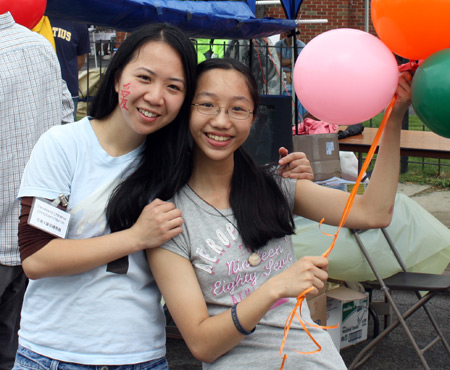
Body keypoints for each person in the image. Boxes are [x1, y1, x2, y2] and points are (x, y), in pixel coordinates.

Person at [14, 23, 311, 370]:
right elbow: (37, 257)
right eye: (144, 78)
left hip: (141, 357)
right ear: (116, 77)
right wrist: (135, 237)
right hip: (51, 355)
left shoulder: (176, 162)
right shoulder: (62, 145)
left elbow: (229, 171)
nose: (156, 97)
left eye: (173, 87)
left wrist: (288, 174)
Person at [146, 58, 412, 369]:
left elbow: (374, 212)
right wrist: (274, 288)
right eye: (207, 105)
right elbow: (203, 345)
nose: (221, 121)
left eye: (237, 109)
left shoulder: (277, 185)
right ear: (186, 111)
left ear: (253, 118)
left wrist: (394, 119)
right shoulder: (167, 219)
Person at [0, 10, 73, 370]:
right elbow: (65, 120)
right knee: (18, 349)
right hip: (40, 235)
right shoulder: (40, 46)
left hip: (15, 236)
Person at [50, 17, 91, 119]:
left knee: (67, 131)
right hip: (42, 90)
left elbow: (80, 59)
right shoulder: (40, 20)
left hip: (69, 91)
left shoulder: (78, 23)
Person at [275, 30, 307, 118]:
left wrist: (285, 62)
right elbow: (277, 62)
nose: (295, 37)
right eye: (292, 34)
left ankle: (297, 117)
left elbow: (300, 63)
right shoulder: (278, 44)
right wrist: (293, 61)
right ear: (285, 34)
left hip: (295, 73)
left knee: (298, 93)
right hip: (282, 73)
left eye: (297, 34)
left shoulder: (301, 45)